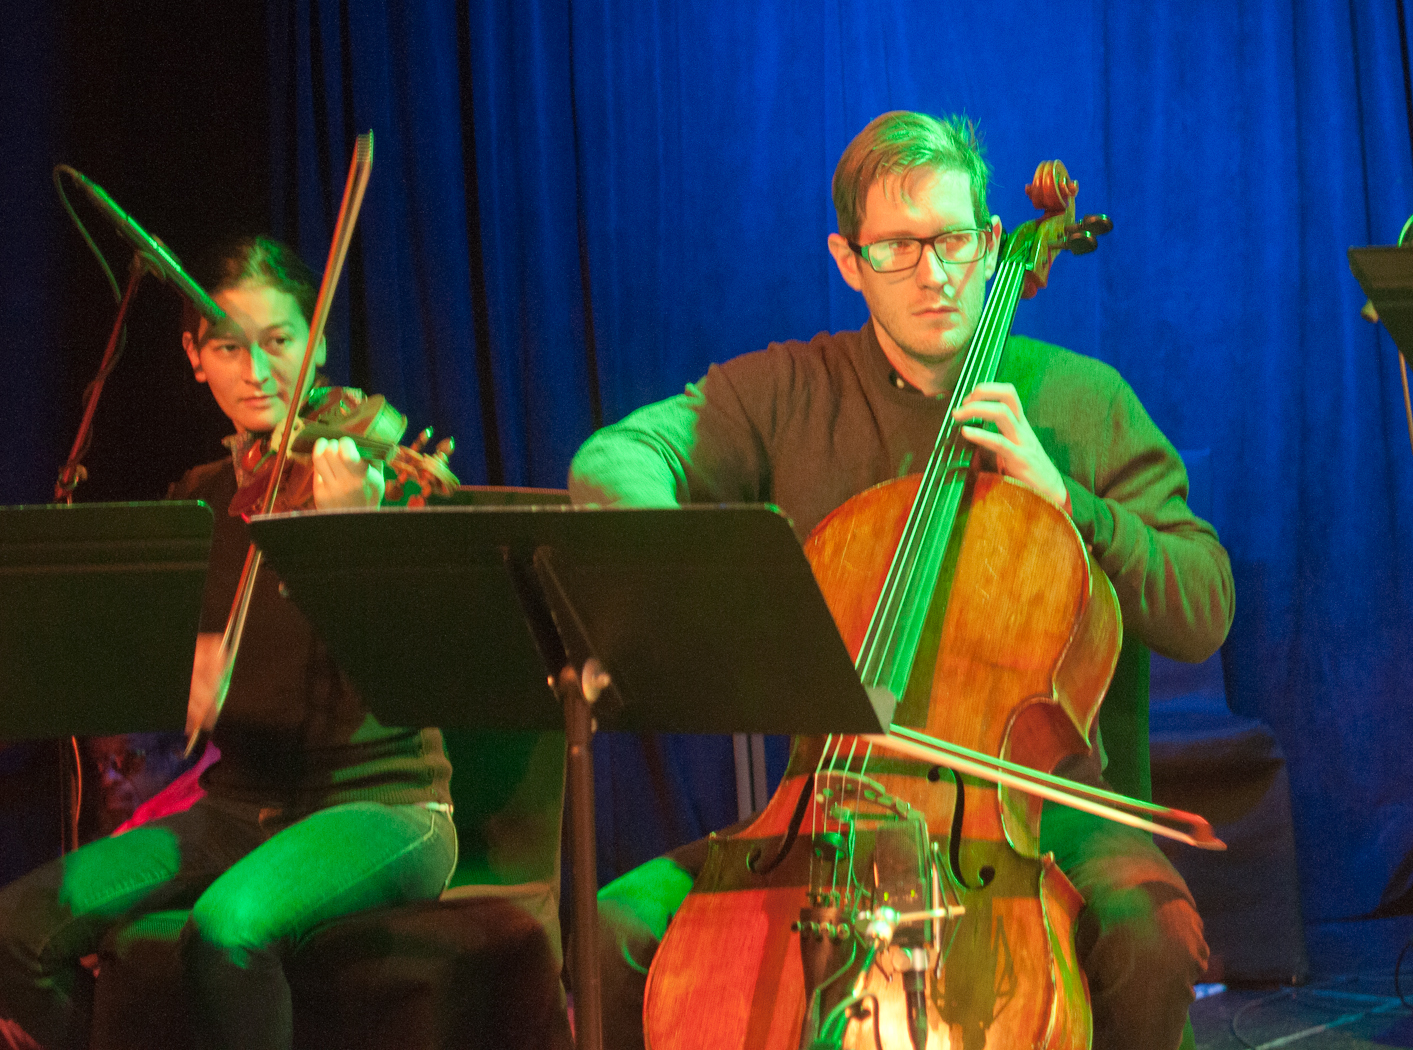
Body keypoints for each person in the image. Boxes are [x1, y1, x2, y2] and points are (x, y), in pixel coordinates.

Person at [568, 112, 1234, 1050]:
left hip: (1027, 813)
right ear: (848, 260)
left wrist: (1066, 501)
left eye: (953, 240)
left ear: (993, 241)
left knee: (1150, 938)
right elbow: (616, 457)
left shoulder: (1084, 402)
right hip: (826, 807)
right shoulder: (785, 391)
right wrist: (699, 569)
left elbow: (1202, 605)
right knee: (613, 933)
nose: (932, 272)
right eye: (895, 247)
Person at [0, 237, 458, 1050]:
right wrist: (178, 672)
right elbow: (154, 669)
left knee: (227, 930)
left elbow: (432, 658)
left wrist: (353, 536)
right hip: (240, 807)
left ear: (314, 346)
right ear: (193, 357)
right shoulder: (200, 500)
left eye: (280, 341)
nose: (257, 370)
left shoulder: (380, 483)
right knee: (19, 927)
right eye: (227, 346)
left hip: (383, 806)